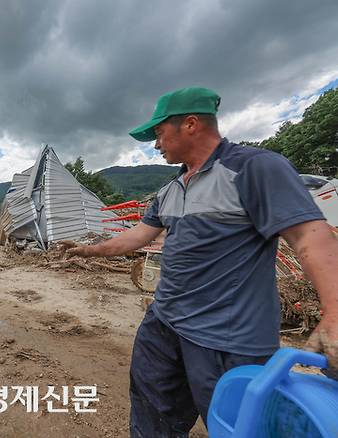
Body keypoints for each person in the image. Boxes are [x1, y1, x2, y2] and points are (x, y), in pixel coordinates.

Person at [63, 87, 338, 437]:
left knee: (236, 427)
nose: (156, 144)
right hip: (164, 324)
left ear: (190, 124)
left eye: (159, 133)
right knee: (151, 416)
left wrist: (334, 313)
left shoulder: (254, 169)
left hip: (228, 340)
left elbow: (310, 237)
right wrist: (88, 249)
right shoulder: (171, 189)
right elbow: (136, 237)